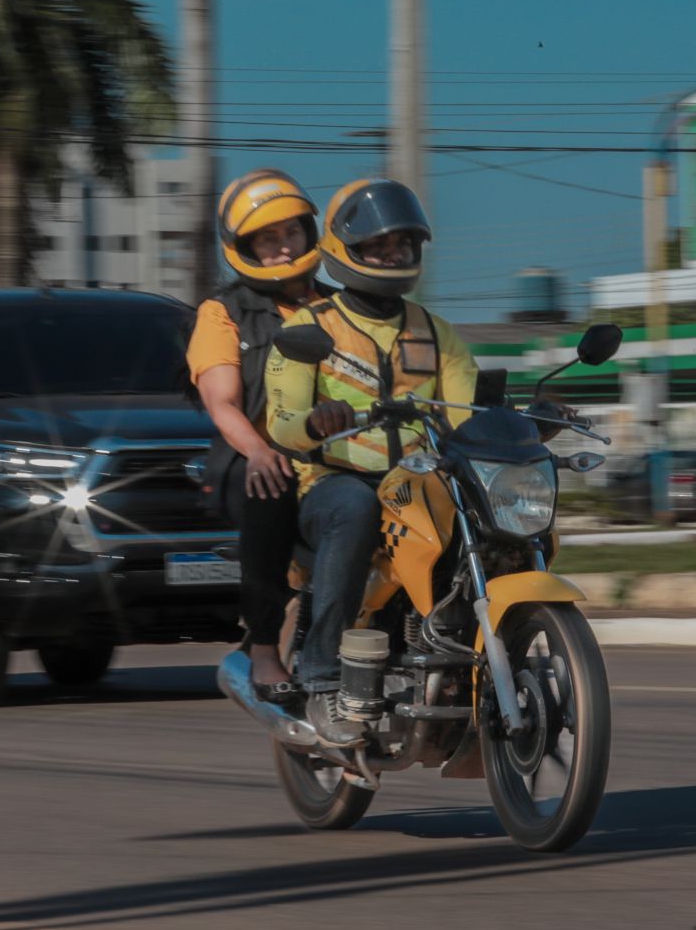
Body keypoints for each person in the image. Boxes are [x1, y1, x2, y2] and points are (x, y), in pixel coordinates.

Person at [265, 178, 479, 743]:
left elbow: (467, 414)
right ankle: (322, 677)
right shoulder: (306, 329)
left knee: (487, 515)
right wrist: (316, 421)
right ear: (344, 249)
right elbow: (281, 421)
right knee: (355, 507)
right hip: (333, 483)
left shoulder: (439, 334)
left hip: (418, 484)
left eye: (403, 244)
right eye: (380, 245)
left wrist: (525, 419)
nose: (394, 254)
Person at [186, 169, 329, 704]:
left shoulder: (339, 306)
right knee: (269, 482)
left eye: (290, 232)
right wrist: (259, 448)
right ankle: (265, 646)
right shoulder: (223, 313)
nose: (283, 246)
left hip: (336, 457)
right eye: (267, 238)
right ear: (244, 247)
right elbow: (222, 402)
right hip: (251, 458)